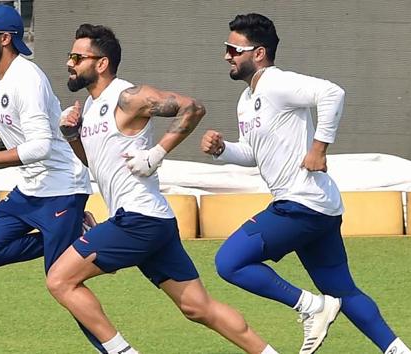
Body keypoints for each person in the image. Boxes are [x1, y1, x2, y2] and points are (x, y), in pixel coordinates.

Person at [45, 23, 278, 354]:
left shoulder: (127, 97)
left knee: (59, 279)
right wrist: (72, 135)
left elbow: (192, 107)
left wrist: (157, 154)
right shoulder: (92, 108)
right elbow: (94, 163)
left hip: (139, 221)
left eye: (77, 57)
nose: (69, 63)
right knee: (198, 307)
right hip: (151, 221)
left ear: (101, 63)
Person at [201, 13, 411, 354]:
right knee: (344, 292)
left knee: (229, 262)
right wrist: (223, 150)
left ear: (258, 53)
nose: (227, 55)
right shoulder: (246, 100)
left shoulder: (276, 82)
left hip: (300, 204)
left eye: (233, 48)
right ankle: (399, 351)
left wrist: (319, 147)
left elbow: (333, 93)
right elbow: (254, 154)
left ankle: (311, 307)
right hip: (317, 207)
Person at [0, 3, 93, 341]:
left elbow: (40, 147)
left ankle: (116, 350)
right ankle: (76, 234)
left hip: (62, 188)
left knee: (63, 285)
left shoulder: (25, 78)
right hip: (32, 189)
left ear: (5, 39)